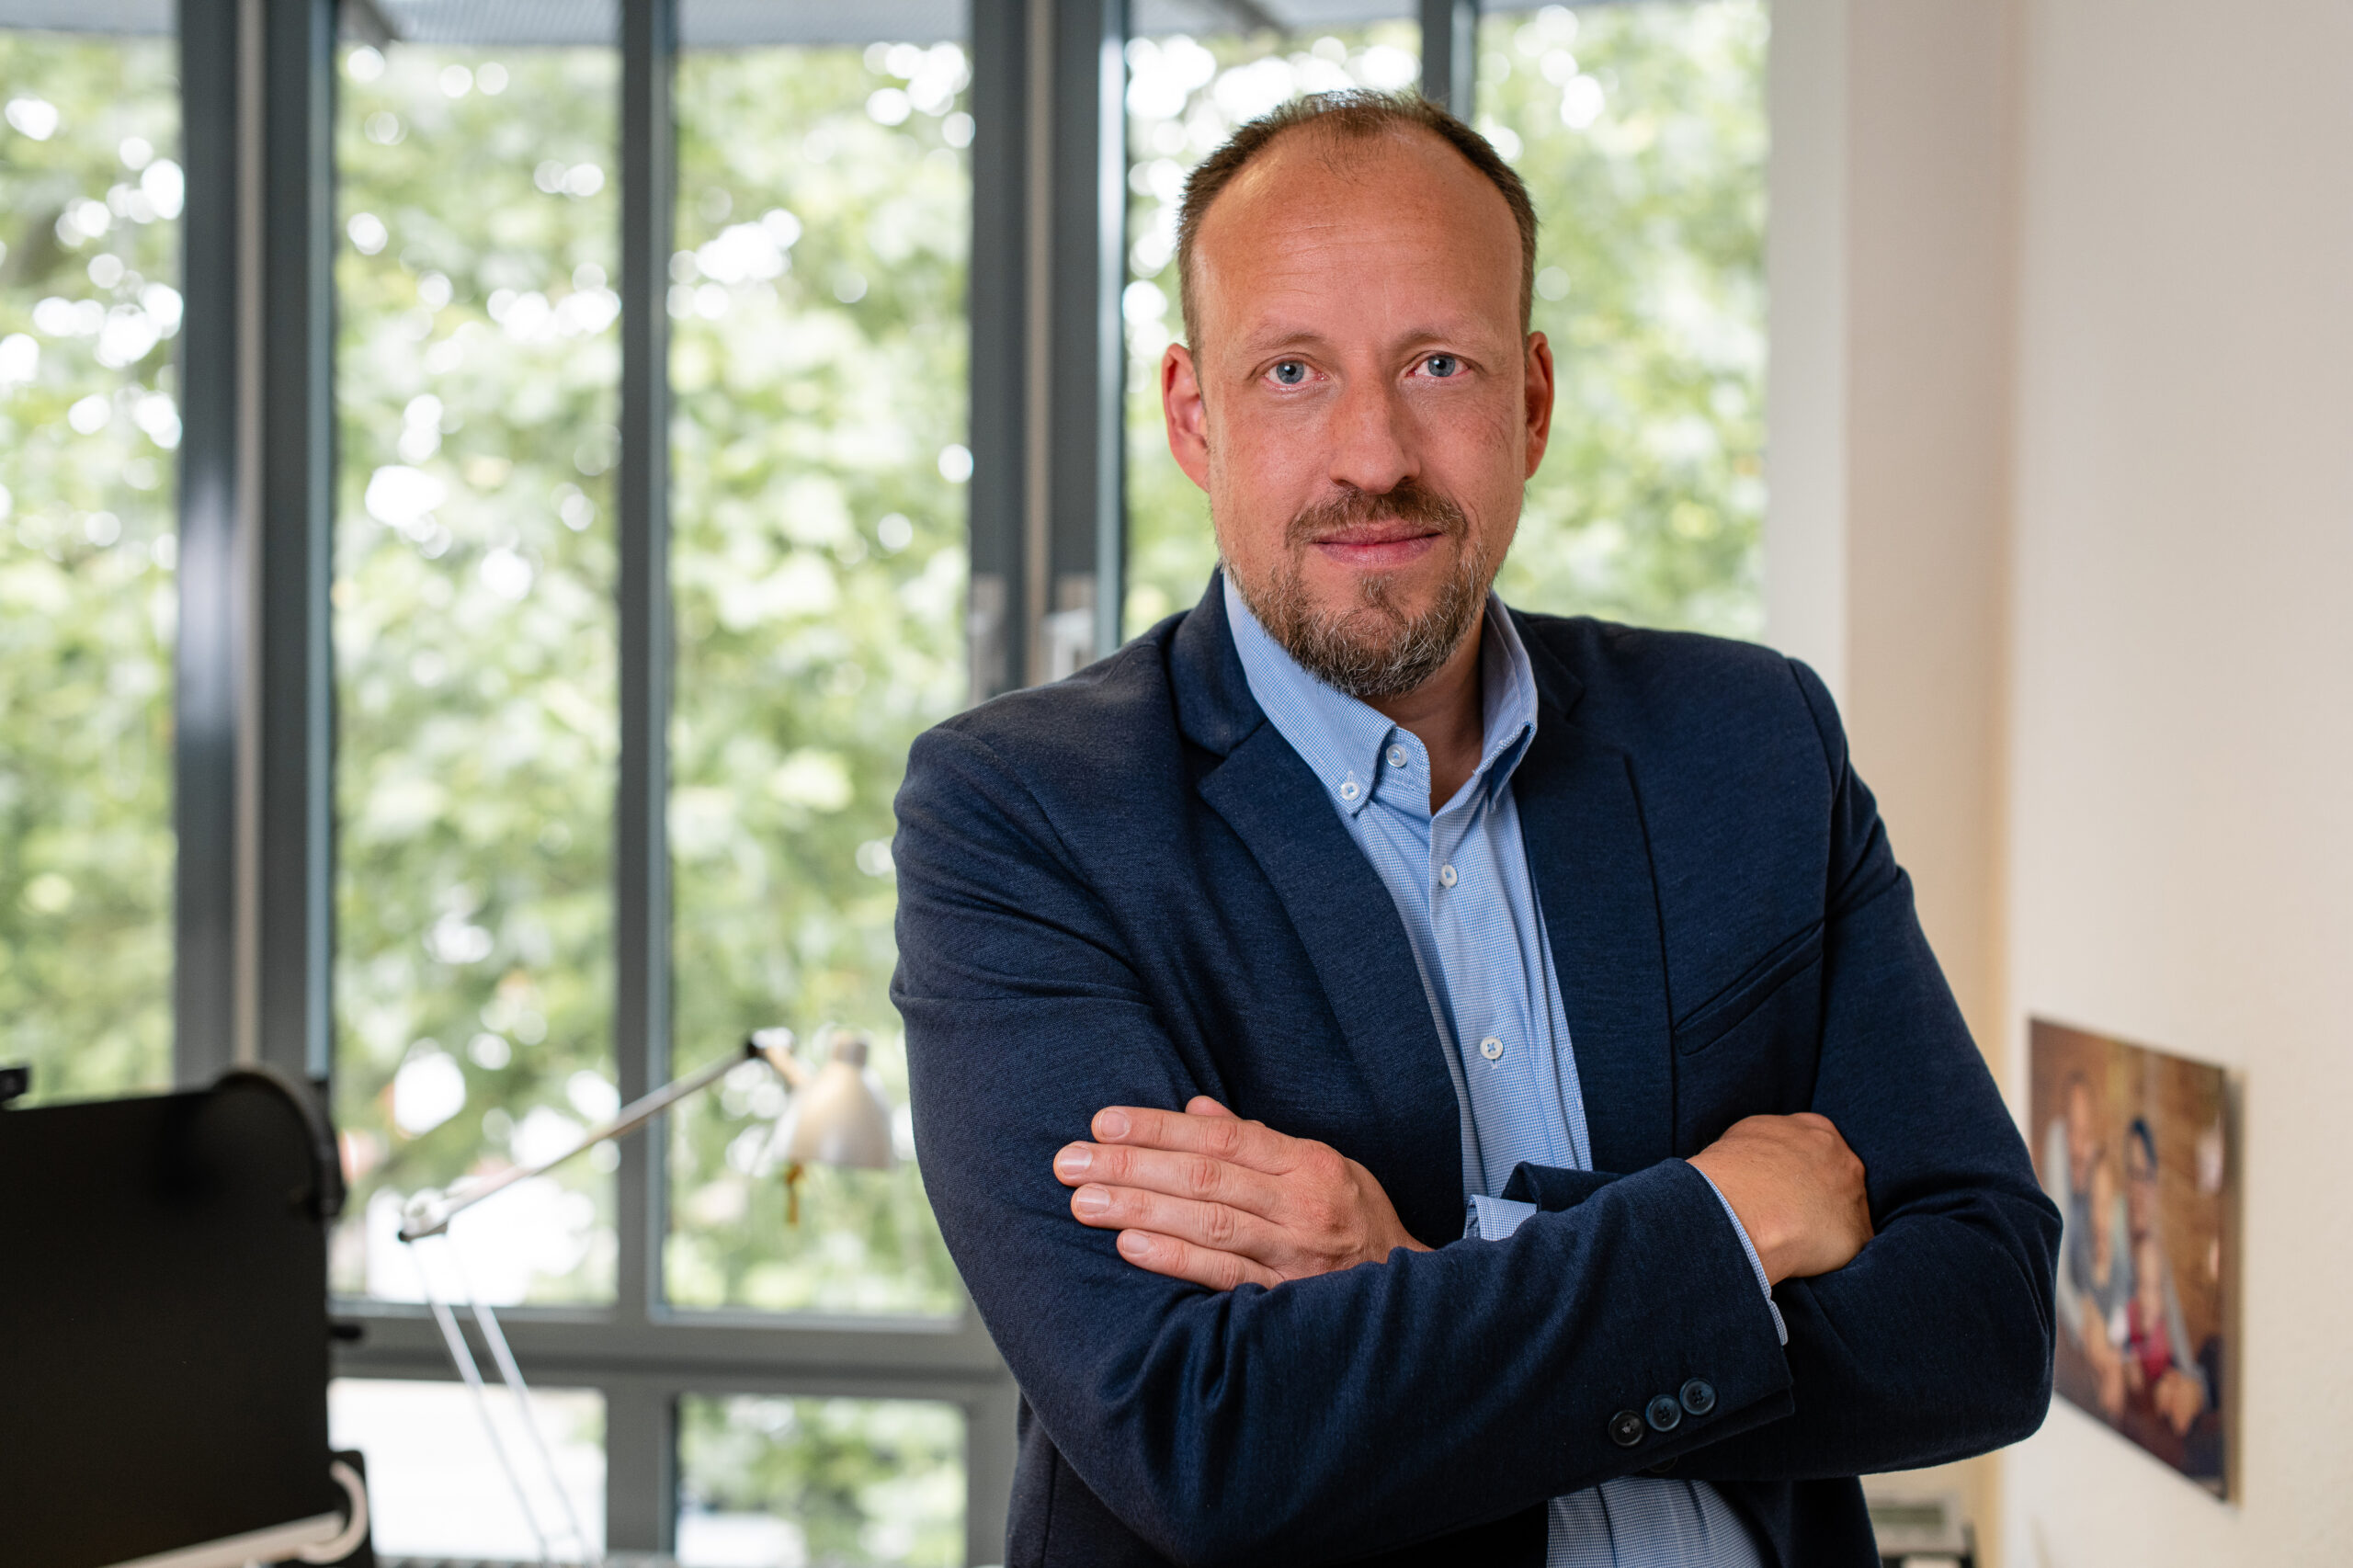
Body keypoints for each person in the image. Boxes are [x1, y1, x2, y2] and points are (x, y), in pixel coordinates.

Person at [893, 91, 2058, 1567]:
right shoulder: (1025, 815)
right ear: (1198, 416)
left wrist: (1426, 1273)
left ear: (1533, 400)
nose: (1371, 453)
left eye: (1438, 362)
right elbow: (1202, 1434)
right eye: (1294, 371)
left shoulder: (1755, 743)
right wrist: (1723, 1227)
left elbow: (1986, 1317)